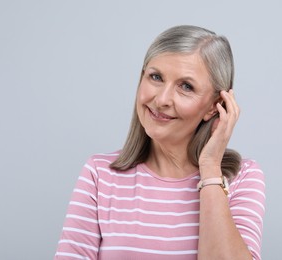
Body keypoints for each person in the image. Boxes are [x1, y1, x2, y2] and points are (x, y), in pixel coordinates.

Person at [54, 25, 265, 260]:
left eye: (186, 86)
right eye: (156, 77)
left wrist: (210, 168)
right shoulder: (99, 175)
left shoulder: (242, 178)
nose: (162, 99)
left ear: (214, 106)